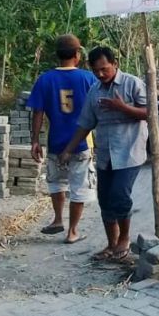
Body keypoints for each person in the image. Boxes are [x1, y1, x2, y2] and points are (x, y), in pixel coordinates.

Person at [59, 46, 148, 262]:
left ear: (115, 64)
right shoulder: (94, 91)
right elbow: (85, 124)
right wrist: (68, 149)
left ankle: (124, 238)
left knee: (119, 195)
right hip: (106, 155)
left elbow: (150, 113)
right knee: (105, 200)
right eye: (96, 70)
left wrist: (122, 107)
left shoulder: (132, 83)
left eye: (104, 69)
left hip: (130, 152)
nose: (100, 74)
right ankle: (111, 244)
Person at [27, 34, 97, 244]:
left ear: (57, 55)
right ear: (77, 54)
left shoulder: (45, 79)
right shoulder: (88, 78)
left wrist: (35, 141)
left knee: (57, 183)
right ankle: (72, 231)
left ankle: (58, 219)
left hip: (56, 141)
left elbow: (37, 112)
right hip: (82, 143)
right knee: (79, 187)